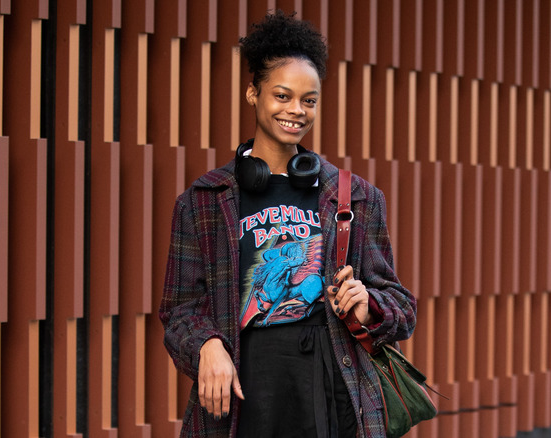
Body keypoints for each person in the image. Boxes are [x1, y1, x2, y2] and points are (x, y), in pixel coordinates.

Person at [159, 10, 417, 438]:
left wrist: (367, 303)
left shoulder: (355, 197)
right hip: (244, 393)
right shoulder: (204, 201)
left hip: (331, 389)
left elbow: (401, 307)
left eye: (308, 100)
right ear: (253, 93)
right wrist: (206, 345)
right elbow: (179, 309)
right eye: (282, 96)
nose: (296, 110)